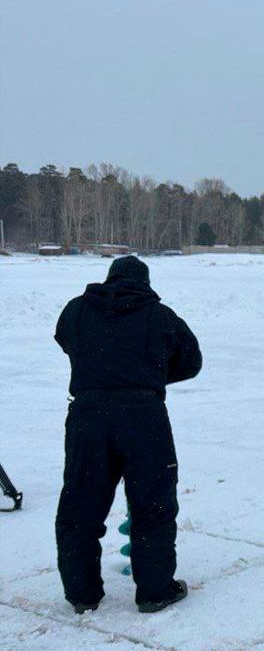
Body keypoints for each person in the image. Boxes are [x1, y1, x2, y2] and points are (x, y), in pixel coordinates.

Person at [54, 256, 202, 614]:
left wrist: (103, 370)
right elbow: (192, 360)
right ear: (145, 283)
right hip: (144, 418)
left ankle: (82, 594)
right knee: (153, 504)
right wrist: (146, 376)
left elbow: (64, 339)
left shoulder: (76, 310)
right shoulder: (161, 316)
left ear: (109, 278)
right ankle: (154, 592)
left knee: (80, 506)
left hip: (88, 417)